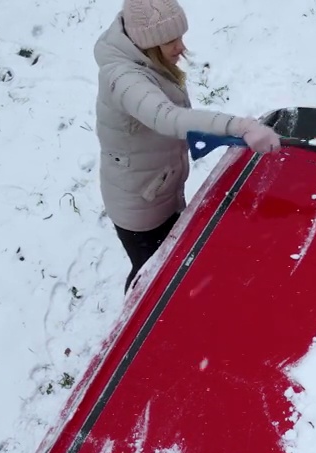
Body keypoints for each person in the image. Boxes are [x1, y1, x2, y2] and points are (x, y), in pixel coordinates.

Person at [94, 0, 282, 287]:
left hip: (158, 186)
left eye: (180, 37)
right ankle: (140, 327)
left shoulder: (145, 60)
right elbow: (168, 118)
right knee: (149, 276)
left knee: (168, 260)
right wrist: (241, 127)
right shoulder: (124, 79)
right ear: (148, 44)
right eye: (171, 41)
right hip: (139, 205)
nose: (181, 47)